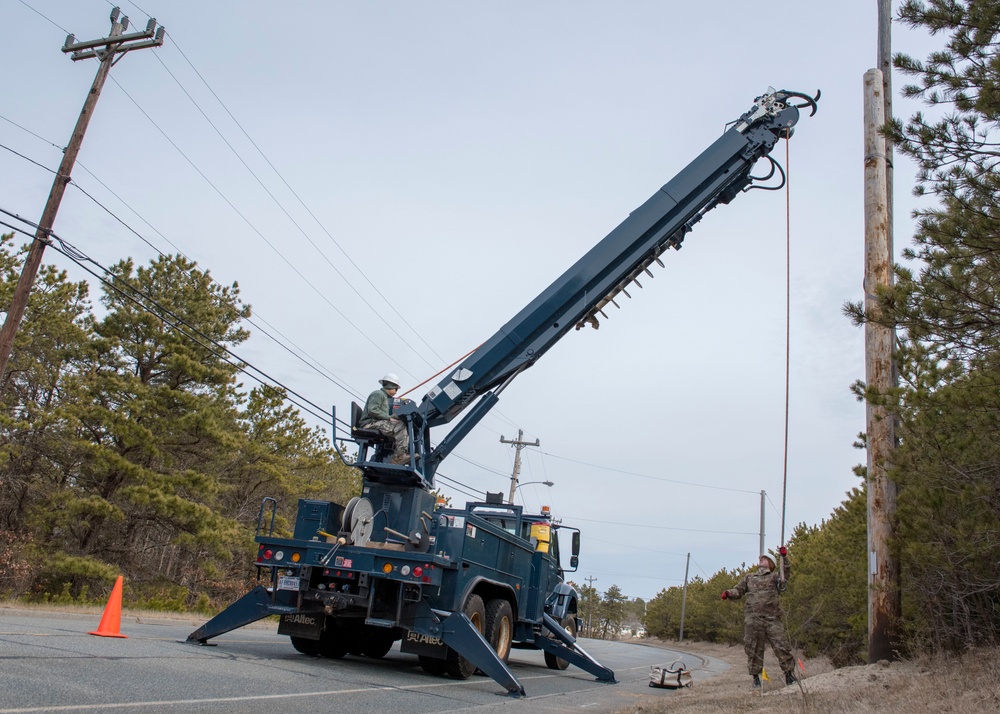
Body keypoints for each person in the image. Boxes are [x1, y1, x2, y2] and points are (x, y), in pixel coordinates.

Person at [721, 546, 796, 688]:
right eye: (760, 558)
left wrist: (784, 557)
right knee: (753, 648)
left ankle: (789, 676)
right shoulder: (749, 577)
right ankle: (756, 679)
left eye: (765, 558)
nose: (761, 559)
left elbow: (785, 574)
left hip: (772, 618)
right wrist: (729, 593)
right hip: (753, 619)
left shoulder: (774, 577)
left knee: (781, 646)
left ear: (771, 563)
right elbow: (738, 590)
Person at [359, 373, 409, 465]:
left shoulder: (385, 398)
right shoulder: (378, 394)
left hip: (376, 422)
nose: (396, 391)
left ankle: (397, 454)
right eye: (396, 388)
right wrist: (389, 418)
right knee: (400, 427)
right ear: (391, 386)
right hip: (370, 424)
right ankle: (399, 457)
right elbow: (372, 410)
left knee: (399, 424)